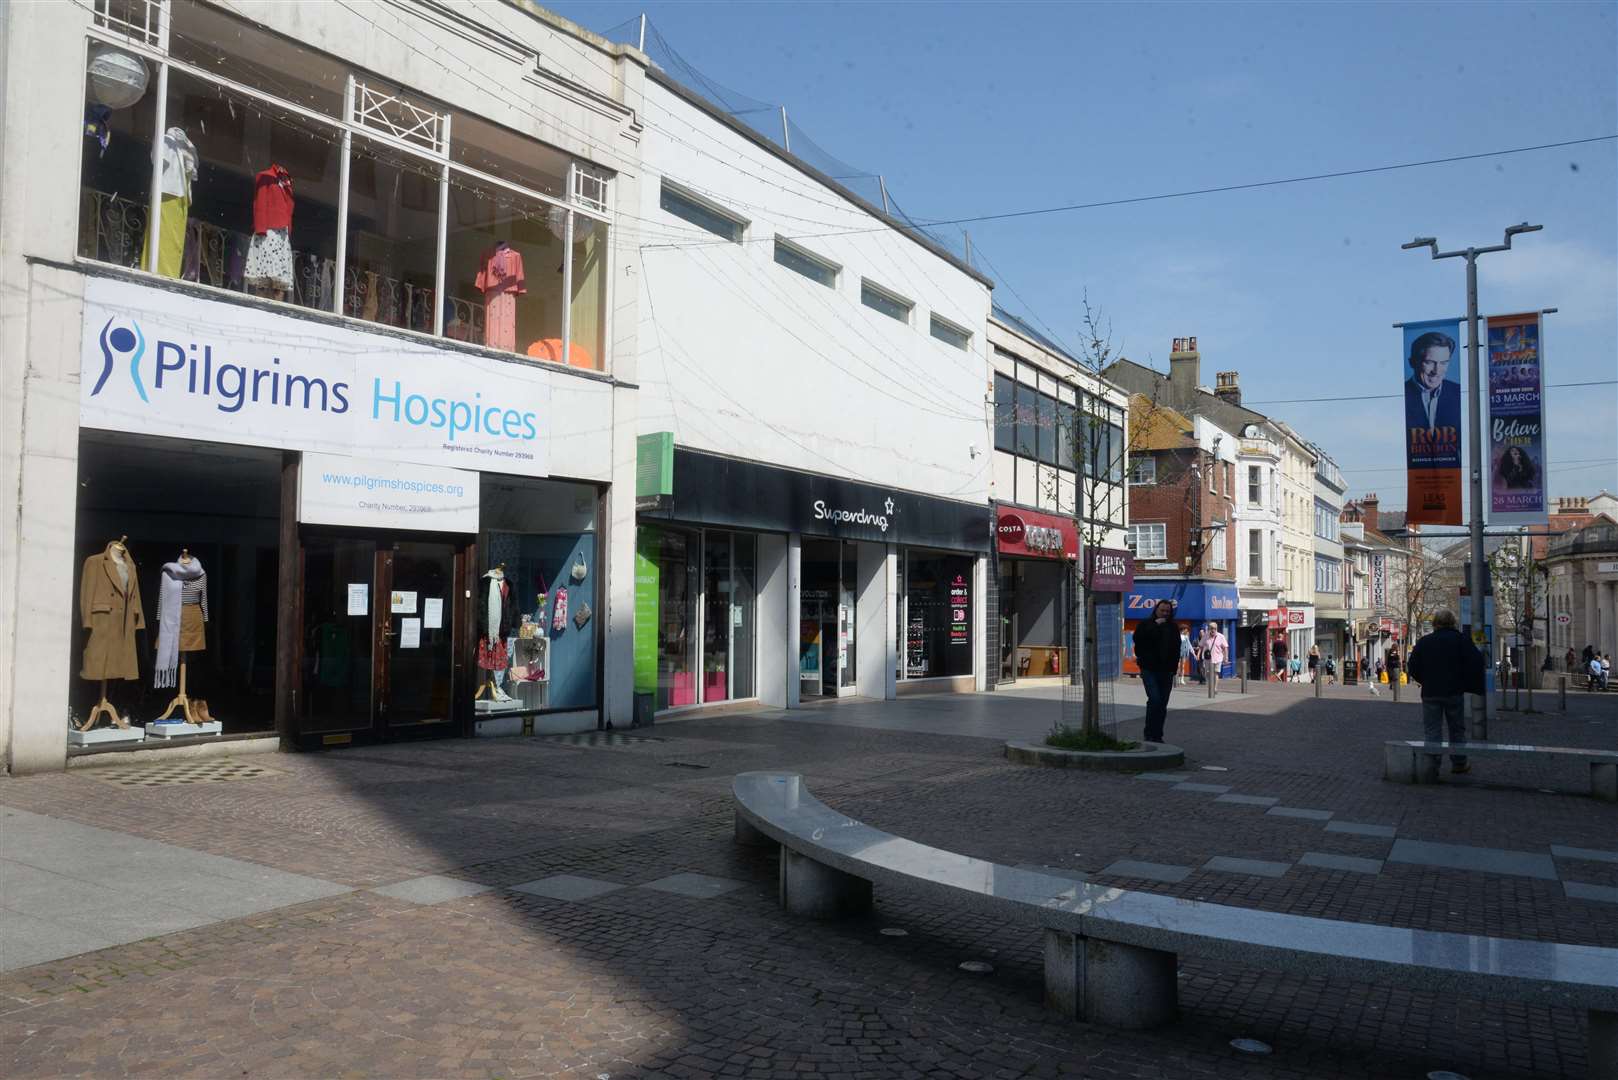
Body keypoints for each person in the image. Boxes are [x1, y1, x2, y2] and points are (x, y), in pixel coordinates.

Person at [1405, 608, 1486, 774]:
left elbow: (1412, 666)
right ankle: (1459, 763)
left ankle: (1432, 765)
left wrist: (1425, 680)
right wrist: (1465, 682)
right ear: (1452, 623)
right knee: (1457, 729)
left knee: (1432, 730)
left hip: (1431, 692)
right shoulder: (1461, 640)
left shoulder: (1425, 642)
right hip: (1454, 691)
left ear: (1435, 624)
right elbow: (1476, 661)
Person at [1133, 600, 1183, 744]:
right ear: (1156, 610)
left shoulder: (1173, 627)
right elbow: (1139, 640)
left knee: (1162, 703)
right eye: (1162, 610)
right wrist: (1155, 626)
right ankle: (1149, 733)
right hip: (1149, 669)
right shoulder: (1146, 624)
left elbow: (1176, 648)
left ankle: (1157, 735)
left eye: (1168, 611)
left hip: (1166, 670)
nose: (1165, 613)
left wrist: (1174, 668)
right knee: (1154, 699)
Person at [1404, 330, 1462, 435]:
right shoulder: (1402, 396)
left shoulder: (1458, 393)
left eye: (1444, 363)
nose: (1437, 371)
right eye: (1429, 362)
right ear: (1412, 363)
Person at [1201, 622, 1229, 696]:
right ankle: (1210, 686)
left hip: (1218, 658)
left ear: (1216, 629)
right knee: (1207, 673)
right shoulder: (1205, 636)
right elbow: (1201, 645)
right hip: (1208, 659)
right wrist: (1198, 655)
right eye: (1211, 628)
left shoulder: (1221, 636)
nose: (1213, 630)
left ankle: (1215, 688)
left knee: (1216, 673)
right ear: (1209, 629)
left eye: (1214, 628)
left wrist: (1226, 657)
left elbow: (1225, 648)